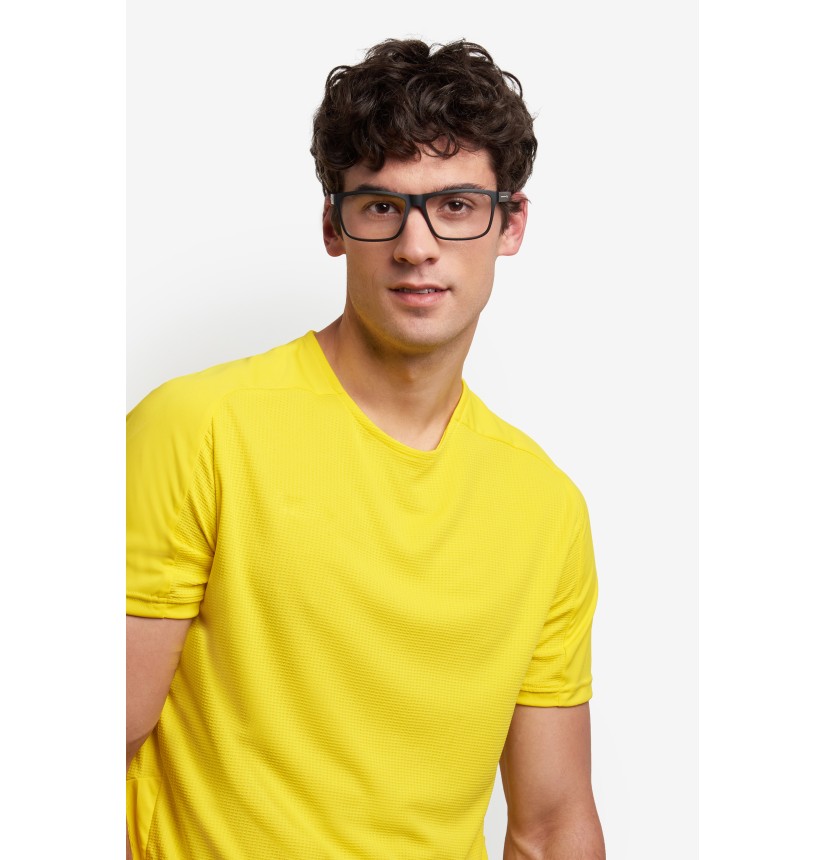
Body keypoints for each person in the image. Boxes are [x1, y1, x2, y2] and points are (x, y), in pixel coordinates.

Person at [126, 38, 605, 860]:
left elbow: (551, 824)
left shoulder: (544, 505)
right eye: (381, 206)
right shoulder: (199, 427)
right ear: (333, 225)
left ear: (510, 223)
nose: (417, 246)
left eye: (456, 204)